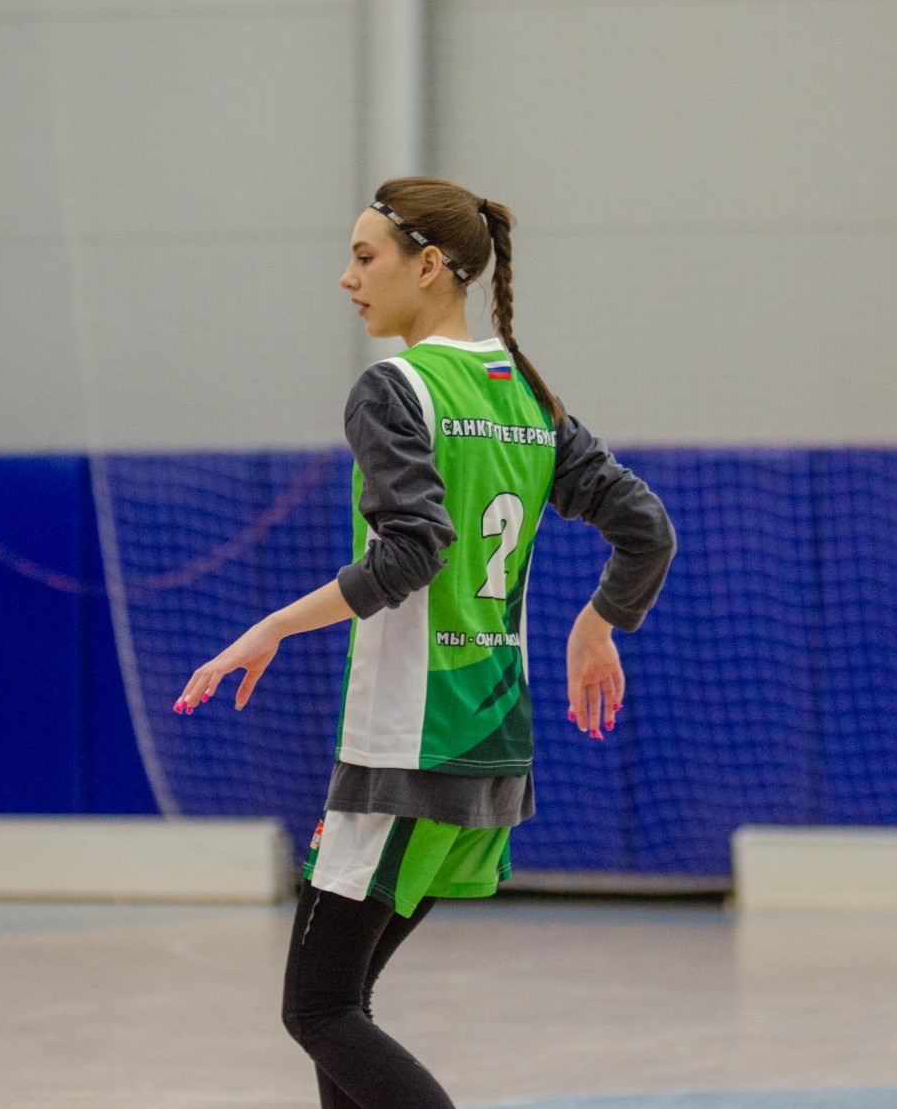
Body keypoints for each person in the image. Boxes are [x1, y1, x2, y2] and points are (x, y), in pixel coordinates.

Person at [177, 178, 677, 1108]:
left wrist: (272, 627)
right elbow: (646, 529)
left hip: (408, 742)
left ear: (430, 266)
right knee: (343, 1006)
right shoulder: (526, 396)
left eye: (365, 257)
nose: (347, 278)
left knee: (319, 1009)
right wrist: (598, 622)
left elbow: (413, 550)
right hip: (491, 742)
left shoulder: (394, 390)